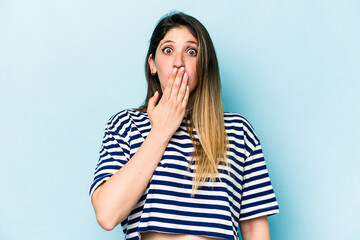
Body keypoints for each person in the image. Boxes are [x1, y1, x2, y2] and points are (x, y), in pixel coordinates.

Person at [89, 12, 279, 240]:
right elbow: (107, 214)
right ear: (152, 64)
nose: (178, 62)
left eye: (191, 52)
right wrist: (160, 131)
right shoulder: (125, 125)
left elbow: (255, 230)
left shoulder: (238, 131)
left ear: (204, 65)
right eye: (168, 50)